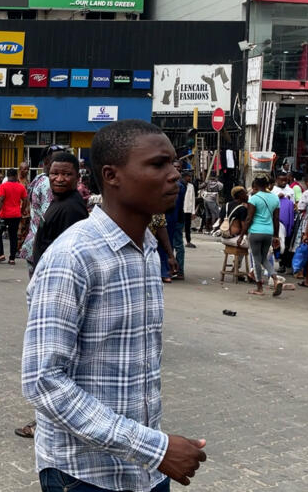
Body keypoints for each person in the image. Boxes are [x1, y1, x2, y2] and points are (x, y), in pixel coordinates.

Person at [22, 120, 206, 492]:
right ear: (112, 176)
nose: (174, 176)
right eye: (158, 165)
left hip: (147, 471)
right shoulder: (73, 257)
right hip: (84, 475)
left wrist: (152, 453)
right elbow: (43, 382)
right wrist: (155, 447)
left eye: (174, 164)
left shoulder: (147, 250)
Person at [32, 152, 89, 262]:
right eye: (54, 173)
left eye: (67, 174)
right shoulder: (59, 200)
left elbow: (68, 256)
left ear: (77, 177)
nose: (59, 179)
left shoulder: (71, 209)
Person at [18, 146, 65, 273]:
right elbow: (49, 216)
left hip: (37, 242)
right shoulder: (47, 184)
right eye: (58, 160)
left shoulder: (38, 179)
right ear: (46, 162)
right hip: (44, 245)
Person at [239, 175, 283, 296]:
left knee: (257, 259)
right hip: (268, 232)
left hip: (255, 232)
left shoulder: (254, 198)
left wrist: (241, 235)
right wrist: (276, 236)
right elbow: (276, 218)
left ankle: (259, 288)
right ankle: (275, 278)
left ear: (256, 185)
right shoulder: (275, 198)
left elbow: (249, 219)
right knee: (264, 258)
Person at [0, 167, 27, 264]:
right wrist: (22, 210)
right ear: (16, 176)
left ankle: (1, 255)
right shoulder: (21, 187)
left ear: (7, 176)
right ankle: (12, 258)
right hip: (16, 215)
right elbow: (25, 200)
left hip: (4, 216)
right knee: (13, 236)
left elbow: (1, 200)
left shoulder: (3, 186)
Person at [165, 166, 187, 280]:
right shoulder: (177, 185)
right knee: (171, 245)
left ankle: (178, 270)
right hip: (172, 219)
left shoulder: (179, 186)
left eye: (179, 167)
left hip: (176, 219)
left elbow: (176, 205)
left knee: (176, 245)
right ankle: (172, 269)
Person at [182, 170, 197, 248]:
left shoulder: (191, 186)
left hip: (188, 209)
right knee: (180, 226)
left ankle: (188, 241)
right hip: (182, 209)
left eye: (190, 176)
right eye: (189, 176)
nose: (190, 178)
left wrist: (193, 211)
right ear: (185, 177)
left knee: (188, 226)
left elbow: (193, 199)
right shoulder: (180, 185)